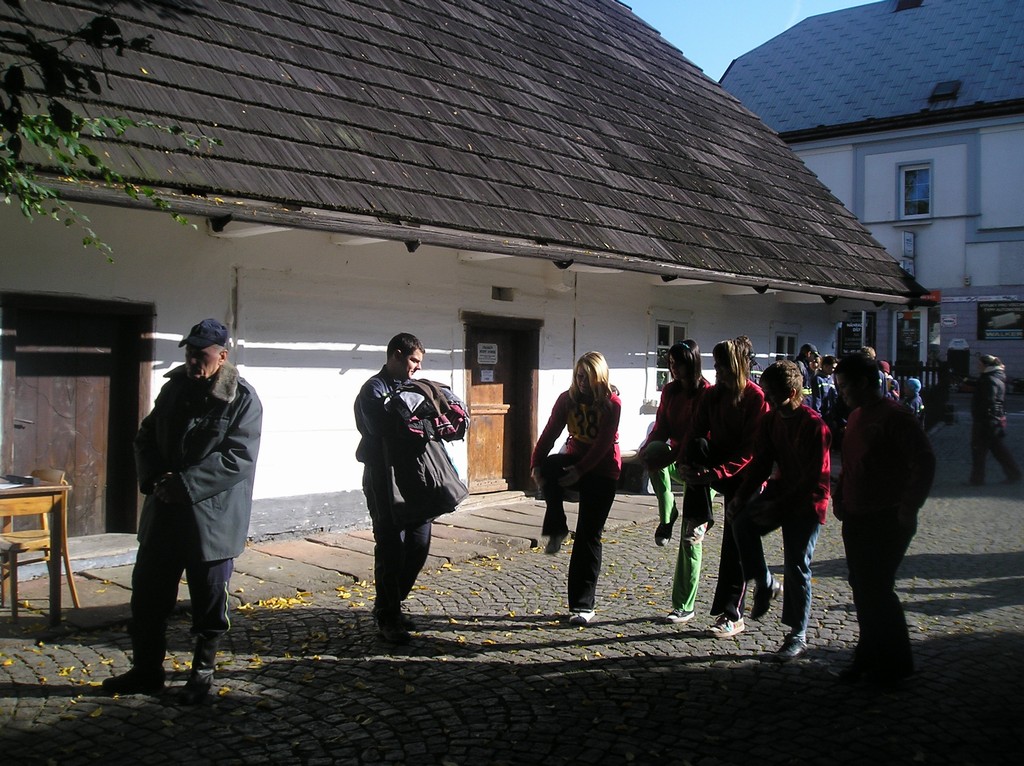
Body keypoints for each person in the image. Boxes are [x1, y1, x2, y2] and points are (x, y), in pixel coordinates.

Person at [102, 318, 263, 704]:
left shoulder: (242, 398)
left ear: (222, 356)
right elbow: (145, 436)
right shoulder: (173, 388)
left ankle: (201, 676)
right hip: (164, 515)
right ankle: (147, 671)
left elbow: (238, 457)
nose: (192, 360)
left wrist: (186, 485)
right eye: (189, 352)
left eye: (201, 354)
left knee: (209, 604)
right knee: (147, 597)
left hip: (211, 522)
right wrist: (157, 478)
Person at [833, 353, 935, 686]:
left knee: (877, 590)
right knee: (863, 588)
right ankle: (868, 656)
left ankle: (895, 664)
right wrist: (840, 497)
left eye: (844, 386)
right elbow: (850, 464)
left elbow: (924, 461)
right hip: (856, 515)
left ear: (863, 383)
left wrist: (908, 508)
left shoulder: (895, 416)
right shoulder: (856, 417)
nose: (841, 393)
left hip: (886, 517)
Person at [728, 361, 830, 660]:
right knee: (742, 523)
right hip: (780, 490)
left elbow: (811, 478)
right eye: (766, 392)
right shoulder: (771, 421)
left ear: (793, 393)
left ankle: (797, 633)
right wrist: (741, 498)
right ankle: (765, 581)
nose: (768, 399)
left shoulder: (815, 426)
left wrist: (779, 506)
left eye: (773, 394)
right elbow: (761, 463)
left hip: (808, 500)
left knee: (797, 564)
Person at [680, 338, 768, 638]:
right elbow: (695, 431)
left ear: (736, 367)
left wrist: (714, 474)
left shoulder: (755, 398)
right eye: (715, 365)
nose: (716, 370)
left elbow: (750, 450)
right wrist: (686, 464)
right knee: (697, 445)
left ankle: (732, 614)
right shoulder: (712, 395)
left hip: (746, 478)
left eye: (721, 366)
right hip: (720, 465)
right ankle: (700, 516)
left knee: (735, 544)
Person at [354, 333, 438, 644]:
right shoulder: (373, 390)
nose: (418, 367)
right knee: (391, 547)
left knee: (419, 544)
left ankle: (391, 603)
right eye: (414, 360)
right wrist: (418, 421)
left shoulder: (413, 387)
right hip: (383, 478)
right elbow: (385, 429)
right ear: (397, 354)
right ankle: (388, 615)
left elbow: (430, 424)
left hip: (413, 477)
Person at [531, 352, 622, 625]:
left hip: (603, 471)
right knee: (549, 466)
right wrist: (535, 465)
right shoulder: (567, 400)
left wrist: (580, 471)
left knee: (588, 535)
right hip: (575, 462)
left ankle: (583, 606)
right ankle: (557, 526)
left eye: (588, 378)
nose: (582, 382)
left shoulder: (612, 404)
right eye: (579, 376)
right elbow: (550, 433)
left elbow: (602, 445)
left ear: (600, 378)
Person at [637, 340, 710, 623]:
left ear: (692, 363)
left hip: (701, 470)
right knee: (653, 450)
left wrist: (668, 459)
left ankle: (684, 604)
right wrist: (648, 448)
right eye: (670, 363)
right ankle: (667, 514)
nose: (673, 368)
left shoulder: (706, 393)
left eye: (678, 363)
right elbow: (661, 427)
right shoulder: (670, 391)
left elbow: (697, 436)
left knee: (690, 539)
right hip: (677, 461)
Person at [969, 354, 1022, 485]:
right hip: (993, 420)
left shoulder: (989, 379)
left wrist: (982, 416)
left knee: (979, 450)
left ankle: (977, 479)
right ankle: (1014, 473)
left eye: (980, 364)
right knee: (998, 449)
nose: (978, 367)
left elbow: (989, 401)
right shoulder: (995, 377)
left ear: (986, 365)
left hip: (986, 420)